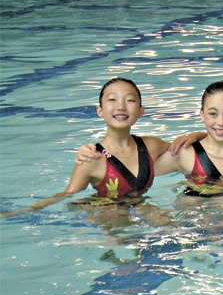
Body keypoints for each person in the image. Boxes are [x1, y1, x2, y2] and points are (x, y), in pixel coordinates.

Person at [2, 77, 171, 218]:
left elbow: (190, 151)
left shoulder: (151, 146)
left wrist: (197, 135)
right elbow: (66, 195)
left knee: (168, 225)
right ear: (100, 111)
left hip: (140, 205)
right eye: (112, 100)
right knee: (118, 238)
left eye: (130, 100)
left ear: (141, 111)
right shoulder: (91, 158)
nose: (121, 106)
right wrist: (25, 211)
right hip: (104, 211)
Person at [152, 80, 223, 196]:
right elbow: (140, 170)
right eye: (213, 114)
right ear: (202, 115)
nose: (221, 122)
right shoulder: (185, 154)